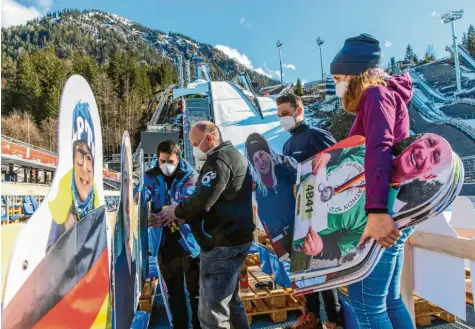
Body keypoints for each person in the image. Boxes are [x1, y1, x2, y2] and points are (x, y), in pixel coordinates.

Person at [317, 33, 414, 328]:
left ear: (353, 72)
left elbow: (379, 148)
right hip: (391, 207)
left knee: (365, 303)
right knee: (388, 300)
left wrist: (375, 212)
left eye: (337, 78)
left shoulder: (376, 95)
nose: (337, 85)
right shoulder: (383, 95)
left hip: (384, 211)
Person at [157, 121, 255, 329]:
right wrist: (188, 215)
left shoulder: (219, 161)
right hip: (235, 240)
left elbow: (203, 198)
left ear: (209, 138)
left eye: (195, 143)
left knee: (212, 314)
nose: (193, 149)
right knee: (231, 302)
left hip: (222, 245)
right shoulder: (233, 155)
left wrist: (177, 211)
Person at [276, 94, 344, 329]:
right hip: (298, 216)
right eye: (279, 115)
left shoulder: (316, 135)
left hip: (320, 216)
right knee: (304, 269)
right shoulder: (286, 145)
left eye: (285, 113)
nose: (282, 118)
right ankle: (311, 316)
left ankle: (334, 321)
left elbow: (338, 160)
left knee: (324, 270)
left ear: (299, 110)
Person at [139, 140, 201, 329]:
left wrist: (161, 215)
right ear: (158, 159)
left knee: (195, 292)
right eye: (162, 161)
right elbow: (142, 193)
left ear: (178, 158)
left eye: (171, 161)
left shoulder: (189, 175)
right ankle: (179, 325)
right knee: (174, 293)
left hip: (188, 242)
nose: (166, 166)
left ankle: (199, 325)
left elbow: (184, 203)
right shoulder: (150, 175)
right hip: (164, 243)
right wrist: (139, 205)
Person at [47, 102, 100, 252]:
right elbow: (52, 260)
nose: (84, 167)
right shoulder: (63, 190)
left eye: (89, 158)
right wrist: (64, 225)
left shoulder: (94, 192)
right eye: (79, 155)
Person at [245, 133, 298, 259]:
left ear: (268, 152)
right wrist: (281, 251)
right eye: (255, 160)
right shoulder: (259, 187)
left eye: (261, 154)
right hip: (286, 238)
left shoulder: (286, 164)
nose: (261, 161)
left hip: (304, 228)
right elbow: (266, 218)